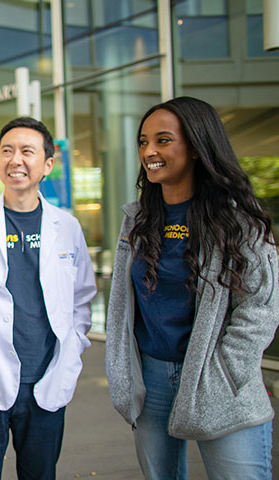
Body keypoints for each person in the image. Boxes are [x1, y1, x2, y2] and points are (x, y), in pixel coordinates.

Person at [105, 96, 279, 479]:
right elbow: (124, 303)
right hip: (151, 379)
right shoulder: (137, 221)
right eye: (143, 141)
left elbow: (259, 309)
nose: (149, 151)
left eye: (163, 140)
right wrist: (122, 370)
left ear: (198, 147)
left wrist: (223, 373)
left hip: (219, 381)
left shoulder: (239, 222)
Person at [0, 117, 97, 480]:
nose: (15, 160)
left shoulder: (66, 226)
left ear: (47, 164)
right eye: (7, 151)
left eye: (27, 151)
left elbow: (82, 298)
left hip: (46, 379)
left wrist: (72, 351)